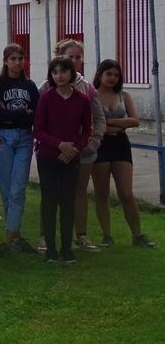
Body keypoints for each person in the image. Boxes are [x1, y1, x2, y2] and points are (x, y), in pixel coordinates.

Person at [36, 39, 106, 253]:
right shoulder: (46, 87)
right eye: (70, 57)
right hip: (52, 151)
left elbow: (98, 119)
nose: (74, 61)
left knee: (78, 192)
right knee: (50, 194)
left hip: (81, 150)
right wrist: (57, 145)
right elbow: (38, 123)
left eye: (78, 57)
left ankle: (80, 235)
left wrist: (90, 144)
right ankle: (45, 236)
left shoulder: (87, 89)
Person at [91, 59, 156, 248]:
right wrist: (119, 123)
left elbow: (135, 121)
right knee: (102, 193)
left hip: (120, 144)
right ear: (100, 74)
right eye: (109, 74)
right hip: (100, 145)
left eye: (116, 75)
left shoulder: (124, 95)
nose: (112, 78)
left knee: (126, 193)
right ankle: (107, 236)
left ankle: (138, 235)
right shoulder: (91, 96)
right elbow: (93, 126)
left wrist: (107, 123)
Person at [34, 56, 90, 264]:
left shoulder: (82, 100)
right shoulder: (46, 98)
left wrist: (74, 149)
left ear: (71, 73)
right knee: (49, 201)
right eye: (55, 72)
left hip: (71, 158)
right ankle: (50, 249)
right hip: (48, 157)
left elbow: (87, 130)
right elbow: (38, 130)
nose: (59, 75)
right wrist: (59, 145)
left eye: (63, 71)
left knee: (68, 202)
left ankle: (67, 248)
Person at [0, 44, 40, 258]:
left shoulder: (30, 85)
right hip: (3, 138)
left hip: (25, 138)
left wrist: (15, 114)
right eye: (13, 59)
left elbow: (35, 114)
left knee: (18, 188)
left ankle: (8, 241)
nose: (17, 63)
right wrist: (23, 113)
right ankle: (16, 237)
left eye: (20, 58)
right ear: (5, 61)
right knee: (7, 189)